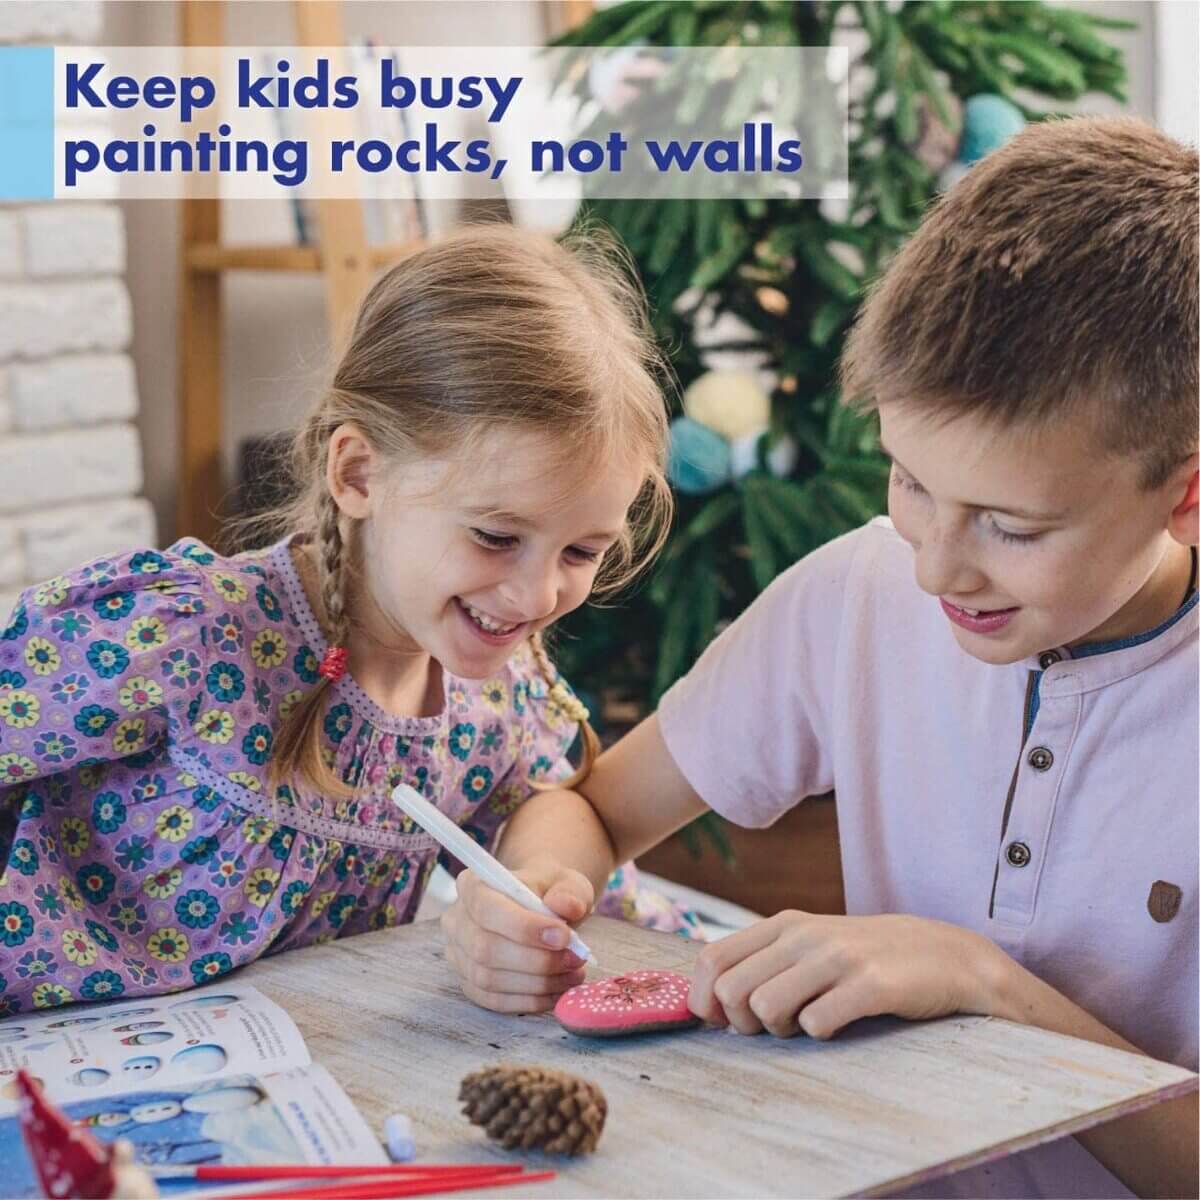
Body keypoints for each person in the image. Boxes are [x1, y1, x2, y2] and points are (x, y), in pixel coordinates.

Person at [442, 118, 1199, 1198]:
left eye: (1011, 528)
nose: (937, 570)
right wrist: (526, 895)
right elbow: (600, 811)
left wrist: (983, 982)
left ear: (1183, 493)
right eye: (909, 480)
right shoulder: (863, 589)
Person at [0, 223, 680, 1014]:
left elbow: (548, 813)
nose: (534, 599)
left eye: (580, 552)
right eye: (496, 537)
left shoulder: (494, 702)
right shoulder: (187, 635)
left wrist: (531, 895)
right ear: (358, 473)